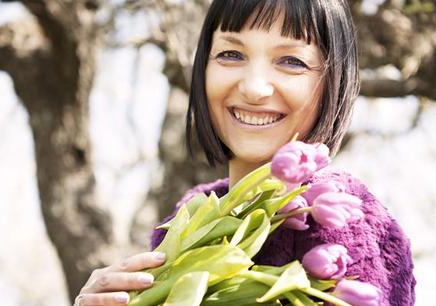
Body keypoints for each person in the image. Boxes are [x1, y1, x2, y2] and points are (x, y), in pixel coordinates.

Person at [75, 0, 416, 305]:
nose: (254, 87)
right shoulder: (186, 218)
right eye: (231, 54)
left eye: (291, 61)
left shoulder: (342, 223)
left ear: (333, 83)